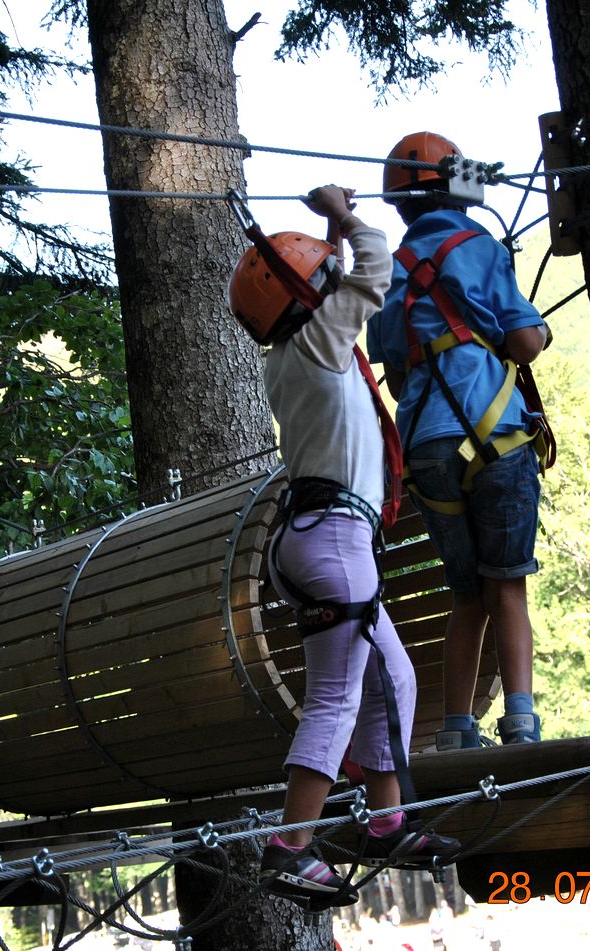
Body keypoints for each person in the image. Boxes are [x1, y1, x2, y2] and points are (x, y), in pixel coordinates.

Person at [228, 185, 459, 910]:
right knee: (335, 697)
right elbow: (377, 264)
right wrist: (346, 217)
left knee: (393, 679)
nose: (332, 280)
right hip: (334, 540)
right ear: (307, 295)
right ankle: (290, 845)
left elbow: (336, 285)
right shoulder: (324, 341)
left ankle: (387, 823)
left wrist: (327, 239)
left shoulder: (289, 357)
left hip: (312, 538)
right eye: (321, 275)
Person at [367, 131, 552, 750]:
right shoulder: (480, 247)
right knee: (507, 585)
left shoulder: (386, 273)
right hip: (495, 433)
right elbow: (524, 343)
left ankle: (455, 727)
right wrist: (533, 333)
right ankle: (520, 721)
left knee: (466, 591)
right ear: (461, 190)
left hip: (426, 447)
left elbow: (397, 377)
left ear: (400, 206)